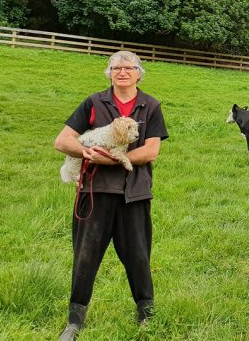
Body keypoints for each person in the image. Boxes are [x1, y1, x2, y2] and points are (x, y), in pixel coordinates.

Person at [54, 51, 168, 340]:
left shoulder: (150, 106)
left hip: (134, 194)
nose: (122, 72)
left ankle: (146, 316)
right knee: (85, 257)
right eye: (116, 68)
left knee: (139, 256)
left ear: (139, 73)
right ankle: (74, 321)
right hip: (95, 193)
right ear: (109, 73)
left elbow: (152, 150)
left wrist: (113, 158)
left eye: (128, 68)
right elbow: (62, 140)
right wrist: (85, 151)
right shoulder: (94, 102)